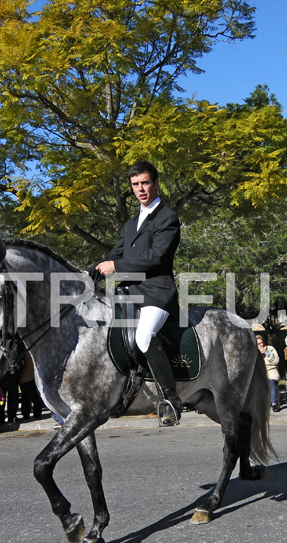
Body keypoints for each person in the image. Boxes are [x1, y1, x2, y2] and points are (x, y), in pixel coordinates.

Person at [94, 161, 183, 426]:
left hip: (157, 291)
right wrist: (90, 273)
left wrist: (117, 267)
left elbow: (156, 258)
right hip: (129, 293)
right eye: (135, 185)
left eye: (145, 183)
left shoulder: (167, 217)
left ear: (155, 183)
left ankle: (171, 400)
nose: (140, 189)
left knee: (144, 336)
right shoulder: (131, 224)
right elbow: (114, 256)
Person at [257, 335, 281, 412]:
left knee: (270, 381)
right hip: (259, 372)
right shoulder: (253, 351)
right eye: (258, 344)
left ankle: (273, 403)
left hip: (271, 370)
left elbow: (275, 361)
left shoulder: (270, 349)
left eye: (261, 342)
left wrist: (266, 353)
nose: (261, 345)